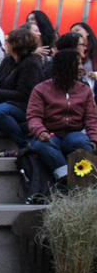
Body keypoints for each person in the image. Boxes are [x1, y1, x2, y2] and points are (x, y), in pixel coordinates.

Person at [27, 49, 97, 181]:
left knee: (82, 142)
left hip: (74, 133)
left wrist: (94, 139)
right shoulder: (41, 89)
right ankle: (66, 178)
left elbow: (91, 118)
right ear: (66, 67)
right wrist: (40, 131)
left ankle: (85, 182)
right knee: (41, 146)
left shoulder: (85, 90)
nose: (82, 68)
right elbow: (33, 116)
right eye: (78, 64)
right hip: (50, 134)